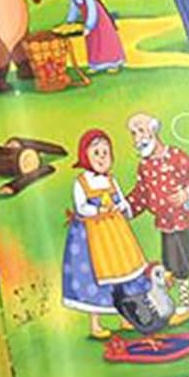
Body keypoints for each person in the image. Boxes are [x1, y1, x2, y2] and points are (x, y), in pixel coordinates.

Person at [125, 113, 189, 329]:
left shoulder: (176, 157)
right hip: (166, 225)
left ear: (153, 131)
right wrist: (125, 208)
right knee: (175, 264)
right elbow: (141, 195)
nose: (137, 138)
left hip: (188, 221)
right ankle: (186, 305)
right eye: (133, 133)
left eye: (141, 131)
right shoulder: (144, 167)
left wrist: (186, 195)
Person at [61, 129, 148, 339]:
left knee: (123, 271)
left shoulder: (111, 179)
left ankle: (125, 315)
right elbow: (81, 207)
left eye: (105, 153)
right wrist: (99, 210)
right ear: (85, 156)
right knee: (96, 277)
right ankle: (95, 324)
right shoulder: (81, 182)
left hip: (116, 234)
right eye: (96, 153)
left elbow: (121, 200)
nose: (102, 157)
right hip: (93, 236)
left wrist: (121, 206)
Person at [62, 0, 126, 74]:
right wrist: (69, 22)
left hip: (100, 22)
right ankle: (96, 64)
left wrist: (88, 26)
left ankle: (113, 63)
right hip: (89, 23)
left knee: (105, 41)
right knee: (93, 43)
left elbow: (93, 12)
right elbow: (74, 10)